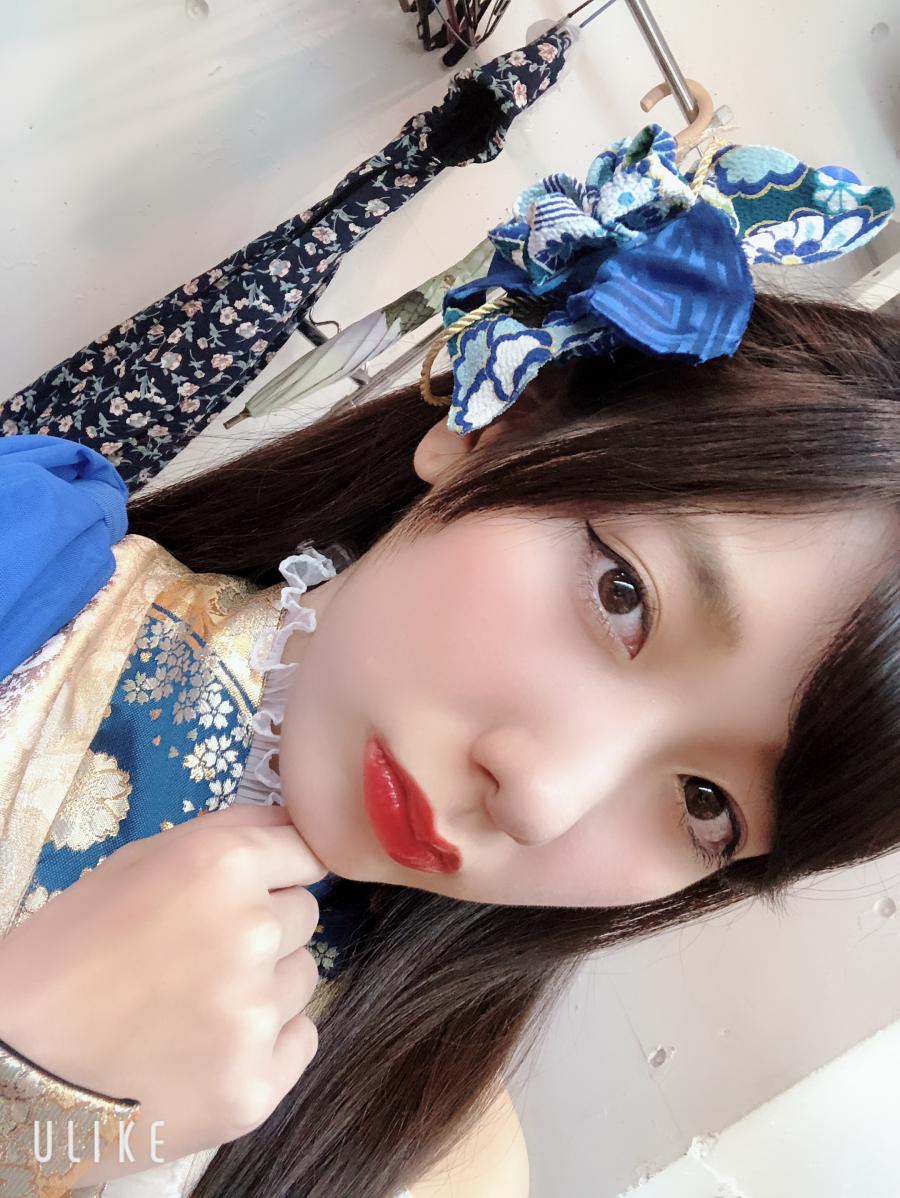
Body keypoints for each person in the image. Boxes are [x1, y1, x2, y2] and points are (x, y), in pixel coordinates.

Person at [0, 126, 898, 1198]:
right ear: (497, 422)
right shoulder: (28, 549)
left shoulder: (431, 1162)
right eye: (624, 595)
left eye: (707, 805)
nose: (542, 798)